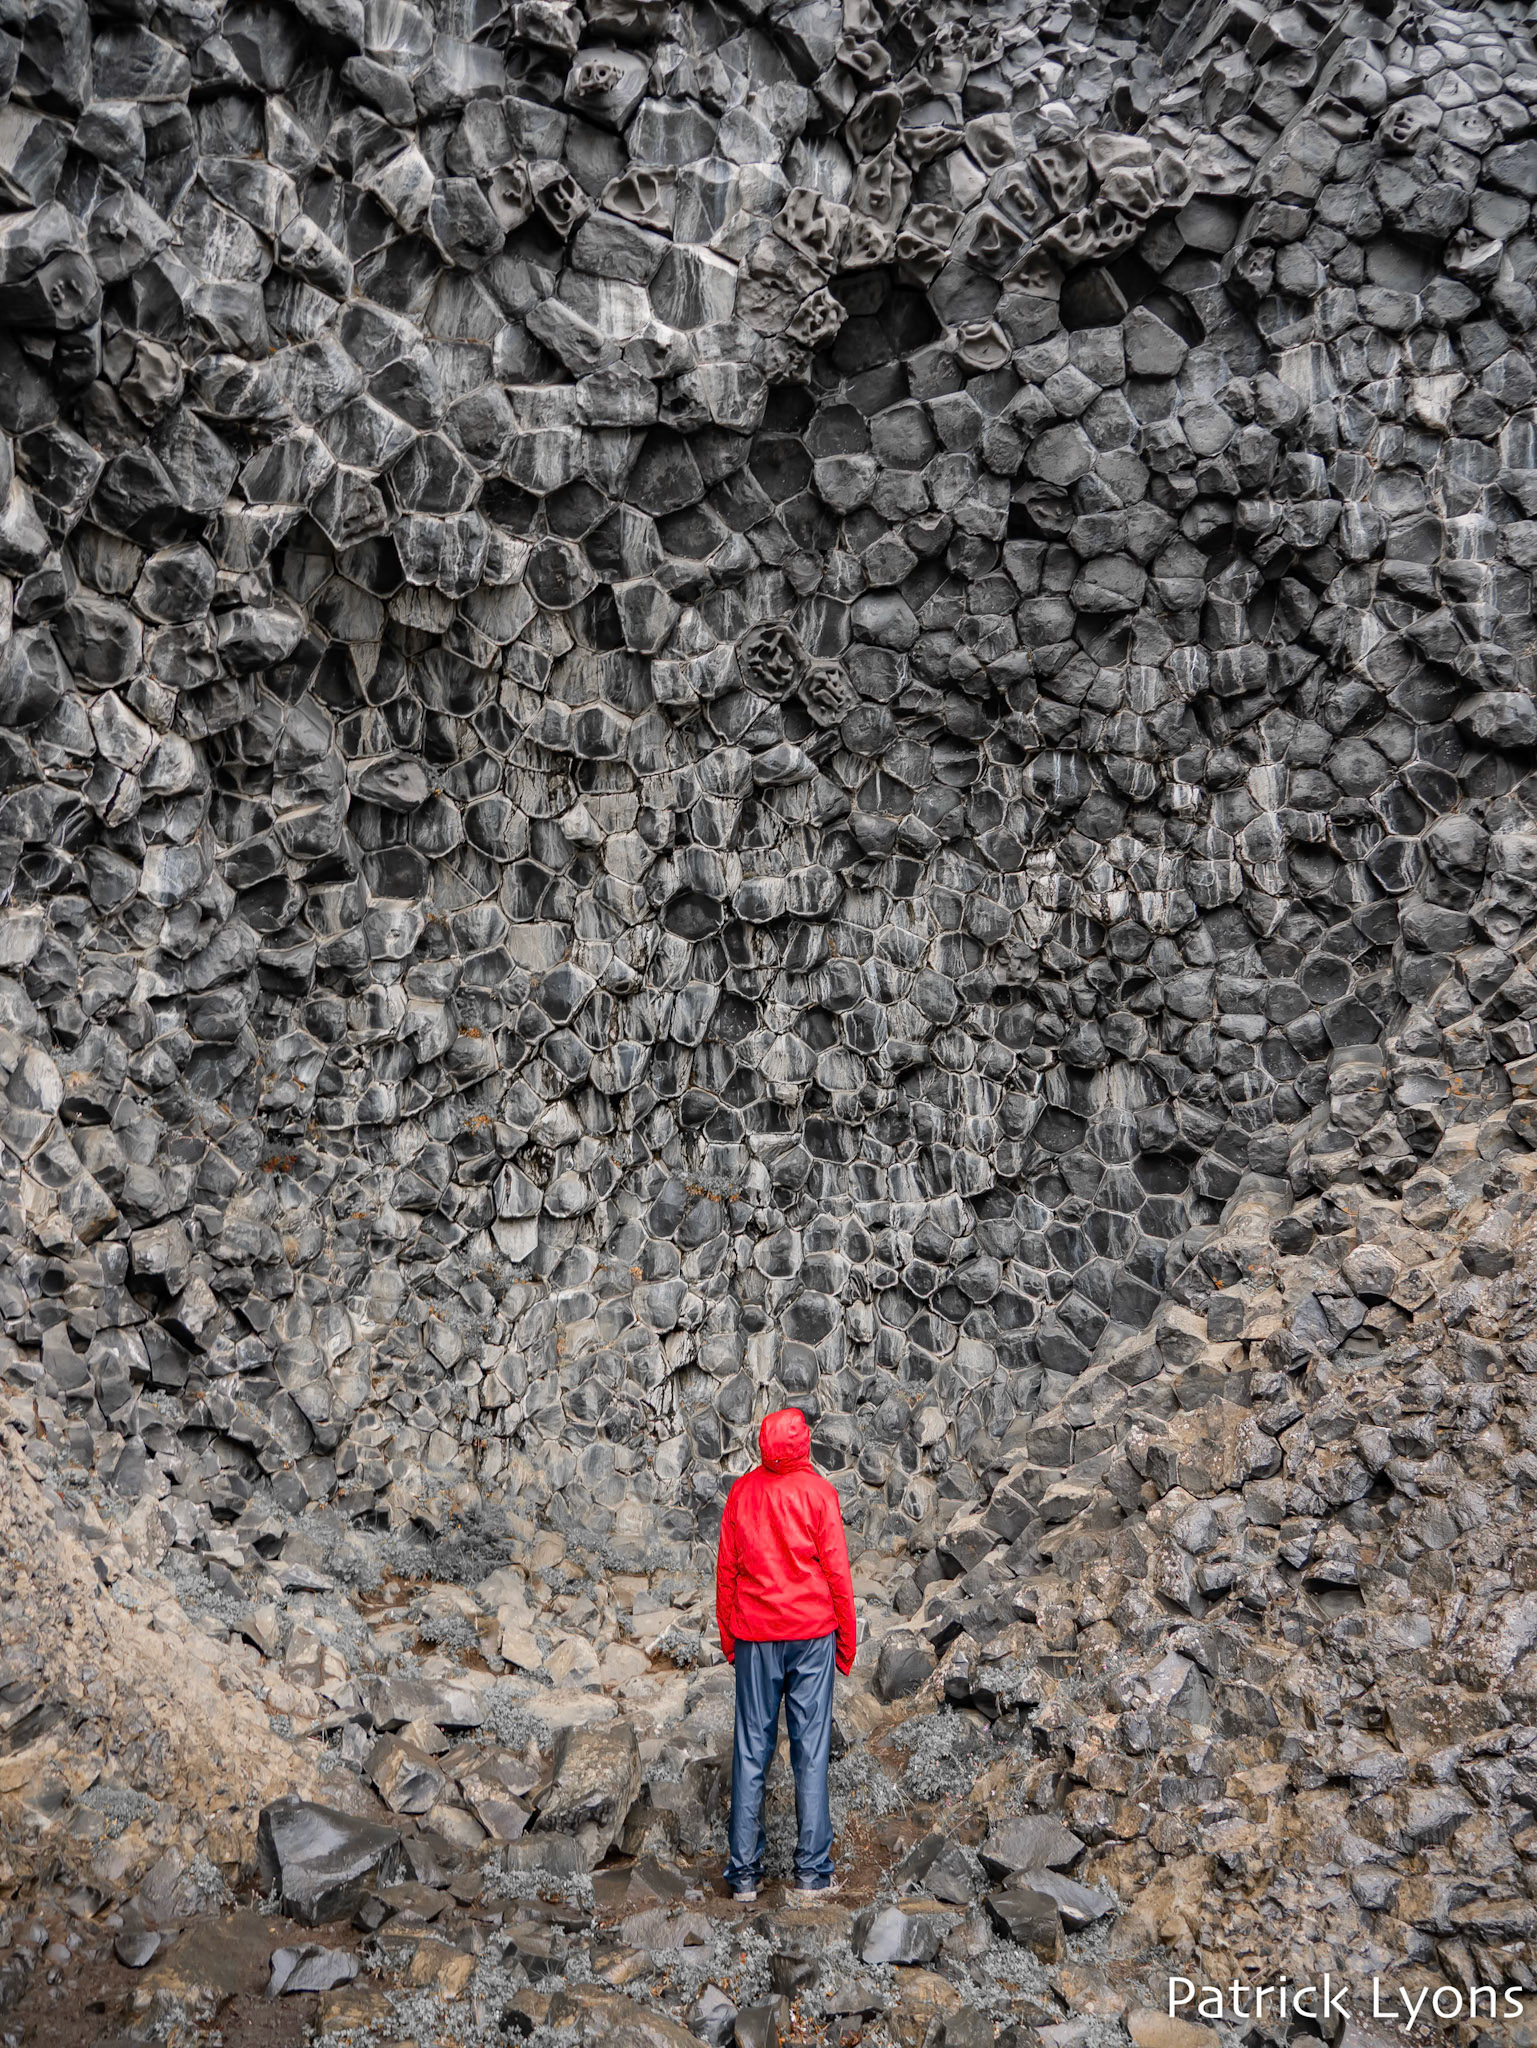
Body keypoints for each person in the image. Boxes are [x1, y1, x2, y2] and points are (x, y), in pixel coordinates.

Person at [714, 1406, 858, 1903]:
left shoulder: (742, 1494)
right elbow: (837, 1572)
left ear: (762, 1443)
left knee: (751, 1750)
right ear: (803, 1445)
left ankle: (745, 1876)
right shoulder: (820, 1493)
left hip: (755, 1634)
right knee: (810, 1751)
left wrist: (729, 1635)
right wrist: (848, 1639)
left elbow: (727, 1572)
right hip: (813, 1634)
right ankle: (812, 1875)